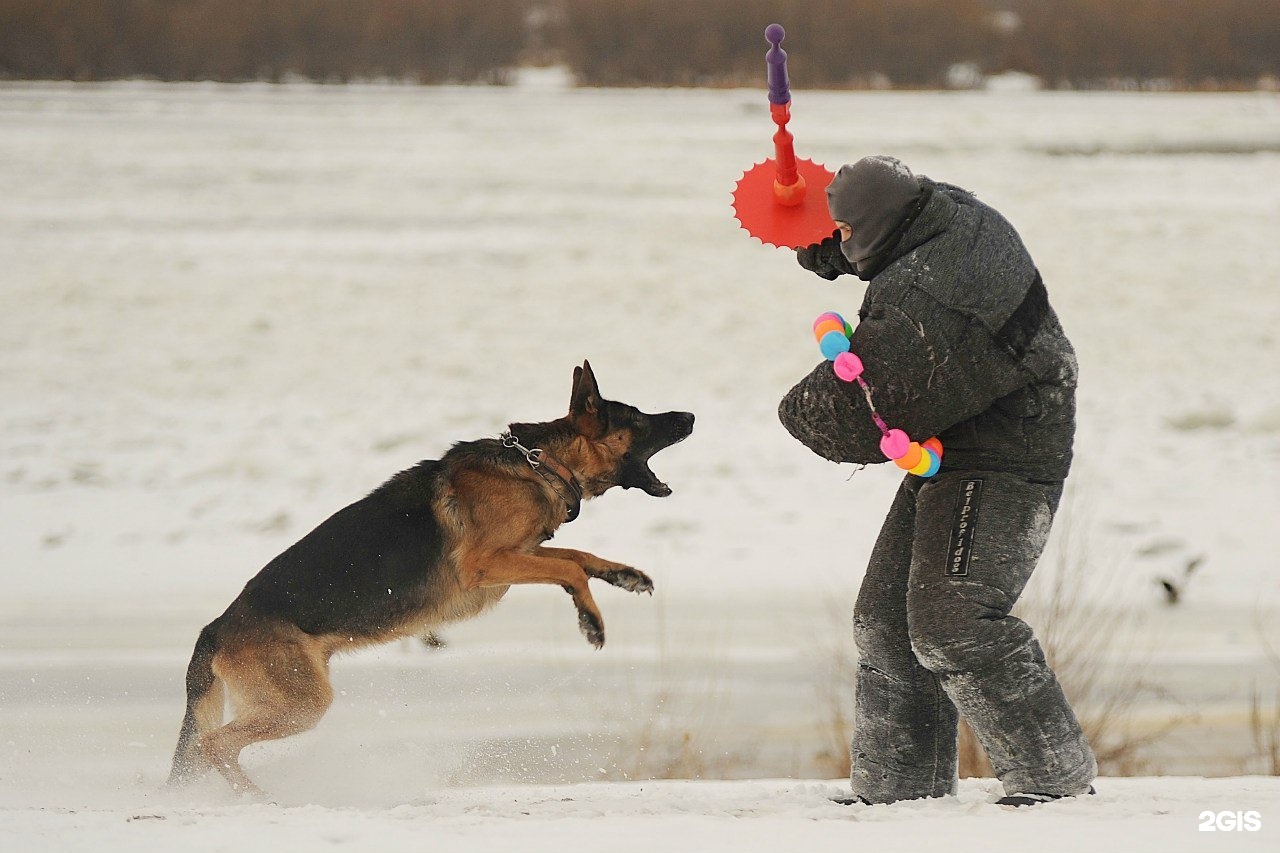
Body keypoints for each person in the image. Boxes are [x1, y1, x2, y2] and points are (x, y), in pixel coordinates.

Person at [778, 155, 1097, 807]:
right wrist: (833, 249)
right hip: (956, 427)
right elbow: (893, 236)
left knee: (953, 620)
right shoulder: (946, 211)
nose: (839, 240)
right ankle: (901, 788)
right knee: (886, 620)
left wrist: (794, 409)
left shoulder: (926, 304)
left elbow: (864, 416)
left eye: (845, 232)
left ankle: (1053, 778)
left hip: (1009, 444)